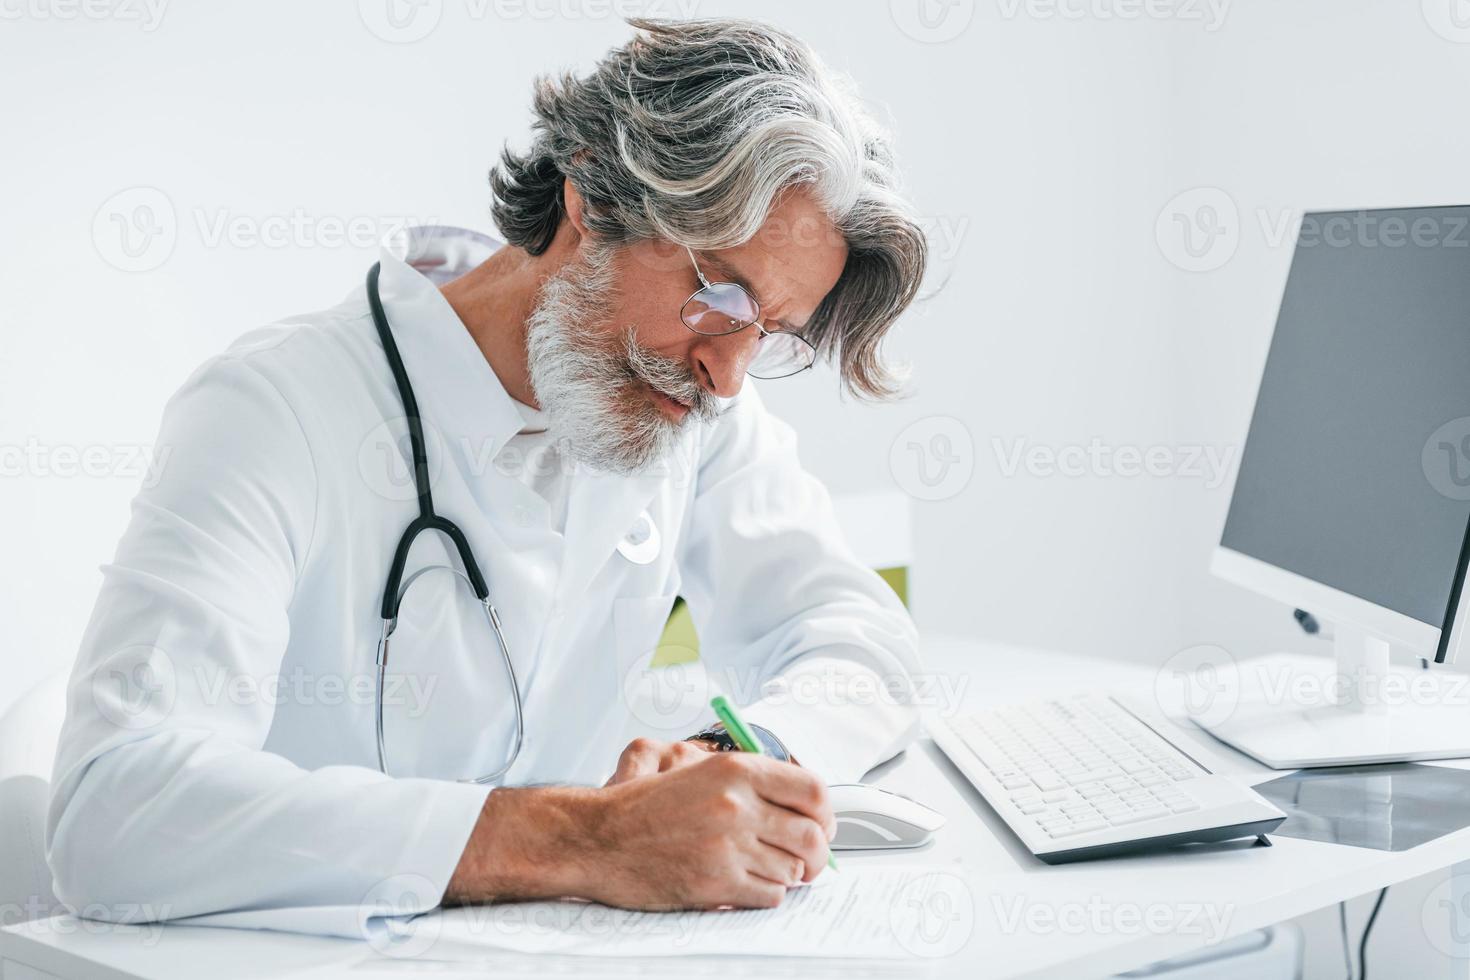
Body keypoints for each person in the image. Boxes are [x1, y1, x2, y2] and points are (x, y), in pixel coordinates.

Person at [47, 16, 930, 934]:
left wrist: (729, 758)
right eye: (720, 298)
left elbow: (860, 642)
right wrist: (584, 840)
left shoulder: (692, 412)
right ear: (591, 193)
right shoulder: (276, 408)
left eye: (771, 334)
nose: (730, 374)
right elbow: (113, 811)